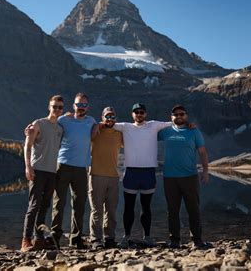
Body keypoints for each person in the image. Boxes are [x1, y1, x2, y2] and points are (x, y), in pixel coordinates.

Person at [112, 103, 173, 248]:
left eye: (141, 112)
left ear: (145, 114)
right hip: (131, 172)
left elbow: (173, 123)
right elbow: (107, 124)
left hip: (148, 172)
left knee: (146, 207)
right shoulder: (125, 126)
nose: (139, 114)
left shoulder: (153, 125)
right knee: (129, 207)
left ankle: (147, 236)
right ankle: (126, 236)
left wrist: (189, 124)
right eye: (136, 112)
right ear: (132, 114)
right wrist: (96, 126)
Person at [158, 105, 211, 249]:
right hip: (169, 178)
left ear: (186, 116)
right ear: (171, 117)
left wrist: (205, 171)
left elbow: (202, 152)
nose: (179, 116)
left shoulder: (194, 131)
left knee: (193, 209)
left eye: (182, 114)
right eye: (176, 114)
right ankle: (175, 240)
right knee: (172, 211)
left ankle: (197, 240)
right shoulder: (165, 132)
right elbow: (147, 135)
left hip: (190, 177)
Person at [50, 93, 97, 249]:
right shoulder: (64, 119)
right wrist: (32, 128)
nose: (81, 108)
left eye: (84, 105)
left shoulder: (91, 121)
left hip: (81, 169)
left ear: (87, 107)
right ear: (74, 106)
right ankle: (55, 237)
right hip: (63, 166)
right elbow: (49, 122)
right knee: (59, 203)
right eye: (78, 105)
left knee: (79, 205)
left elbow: (99, 128)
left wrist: (100, 125)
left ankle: (75, 239)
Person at [21, 95, 64, 252]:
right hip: (37, 170)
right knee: (34, 205)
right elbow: (28, 145)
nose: (57, 109)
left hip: (52, 172)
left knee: (45, 206)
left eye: (60, 107)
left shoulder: (59, 128)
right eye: (54, 106)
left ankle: (38, 239)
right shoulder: (38, 123)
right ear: (49, 107)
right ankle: (26, 240)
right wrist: (28, 167)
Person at [89, 107, 123, 250]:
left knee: (111, 210)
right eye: (107, 116)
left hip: (114, 176)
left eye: (112, 116)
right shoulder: (95, 130)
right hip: (96, 174)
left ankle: (109, 238)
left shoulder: (119, 133)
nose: (110, 119)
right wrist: (97, 125)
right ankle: (96, 239)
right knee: (96, 209)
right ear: (102, 117)